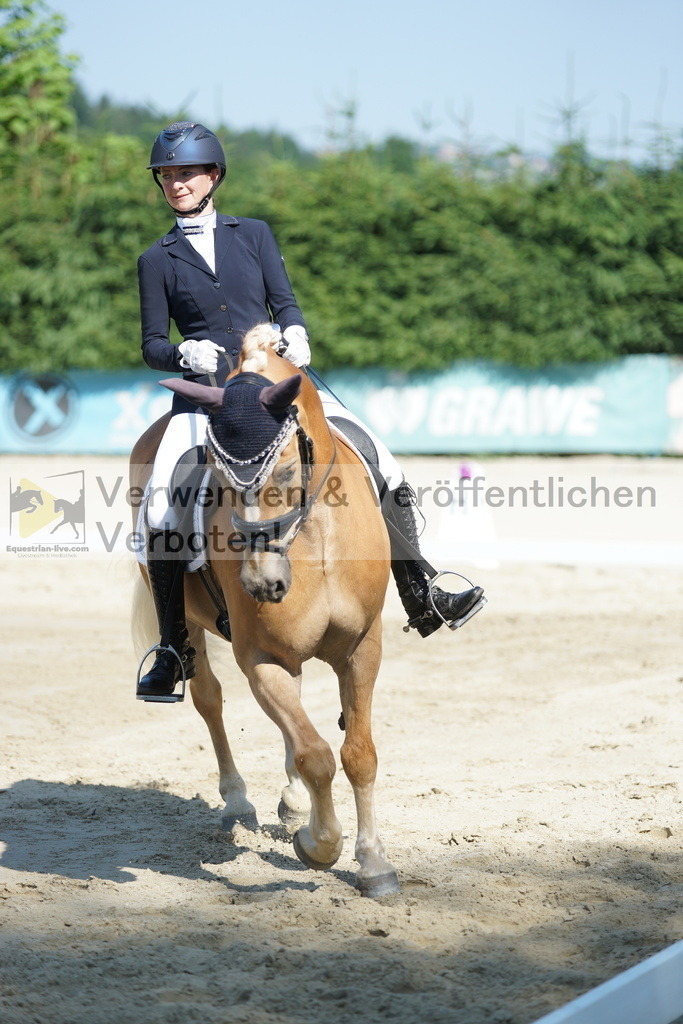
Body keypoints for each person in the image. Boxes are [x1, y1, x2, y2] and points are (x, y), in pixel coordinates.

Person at [136, 121, 485, 700]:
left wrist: (295, 331)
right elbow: (151, 343)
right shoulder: (157, 258)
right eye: (167, 175)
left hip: (275, 385)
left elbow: (285, 300)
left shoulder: (254, 234)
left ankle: (421, 591)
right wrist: (181, 352)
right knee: (158, 504)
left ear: (214, 175)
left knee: (382, 459)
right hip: (207, 397)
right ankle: (173, 647)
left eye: (187, 173)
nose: (176, 183)